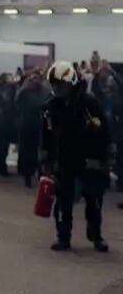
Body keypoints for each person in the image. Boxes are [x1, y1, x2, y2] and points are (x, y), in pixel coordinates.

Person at [41, 61, 110, 252]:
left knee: (94, 201)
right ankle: (63, 237)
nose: (57, 88)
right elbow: (46, 135)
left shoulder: (90, 103)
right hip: (64, 159)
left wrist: (104, 158)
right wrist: (45, 158)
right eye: (54, 84)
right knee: (63, 202)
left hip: (89, 159)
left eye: (60, 84)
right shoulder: (51, 106)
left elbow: (105, 131)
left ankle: (96, 235)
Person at [15, 70, 50, 187]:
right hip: (27, 125)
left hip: (38, 125)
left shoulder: (44, 92)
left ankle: (38, 174)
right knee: (27, 151)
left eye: (37, 78)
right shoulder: (25, 91)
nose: (35, 81)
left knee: (38, 151)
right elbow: (17, 104)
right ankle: (28, 176)